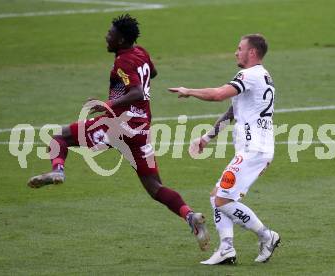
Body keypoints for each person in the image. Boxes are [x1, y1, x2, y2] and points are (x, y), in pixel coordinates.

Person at [27, 14, 209, 252]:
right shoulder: (140, 52)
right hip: (141, 128)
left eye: (110, 34)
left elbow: (137, 93)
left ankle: (58, 171)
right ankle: (190, 216)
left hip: (118, 125)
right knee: (155, 186)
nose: (107, 36)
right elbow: (151, 74)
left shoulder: (123, 62)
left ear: (121, 40)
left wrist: (108, 104)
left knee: (59, 137)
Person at [169, 34, 280, 264]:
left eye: (240, 49)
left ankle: (266, 235)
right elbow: (233, 111)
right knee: (217, 196)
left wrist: (189, 91)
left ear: (252, 53)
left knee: (222, 200)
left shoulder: (248, 75)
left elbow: (218, 95)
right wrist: (208, 137)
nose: (235, 52)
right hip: (254, 150)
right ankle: (227, 248)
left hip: (254, 150)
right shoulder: (262, 76)